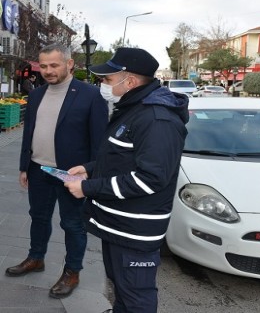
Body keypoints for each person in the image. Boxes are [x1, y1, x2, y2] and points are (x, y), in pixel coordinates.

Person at [64, 47, 189, 313]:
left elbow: (149, 179)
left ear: (129, 81)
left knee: (136, 296)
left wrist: (87, 187)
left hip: (134, 230)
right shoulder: (133, 109)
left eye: (107, 80)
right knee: (121, 287)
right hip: (118, 224)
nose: (102, 85)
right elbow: (121, 158)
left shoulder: (156, 119)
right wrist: (89, 169)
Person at [5, 43, 108, 299]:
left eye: (54, 65)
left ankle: (72, 271)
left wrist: (90, 171)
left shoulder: (90, 95)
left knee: (72, 224)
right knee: (38, 217)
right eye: (44, 66)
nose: (48, 71)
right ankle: (35, 258)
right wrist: (24, 166)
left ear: (69, 64)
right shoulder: (37, 94)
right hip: (39, 169)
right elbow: (28, 133)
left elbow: (100, 143)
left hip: (70, 174)